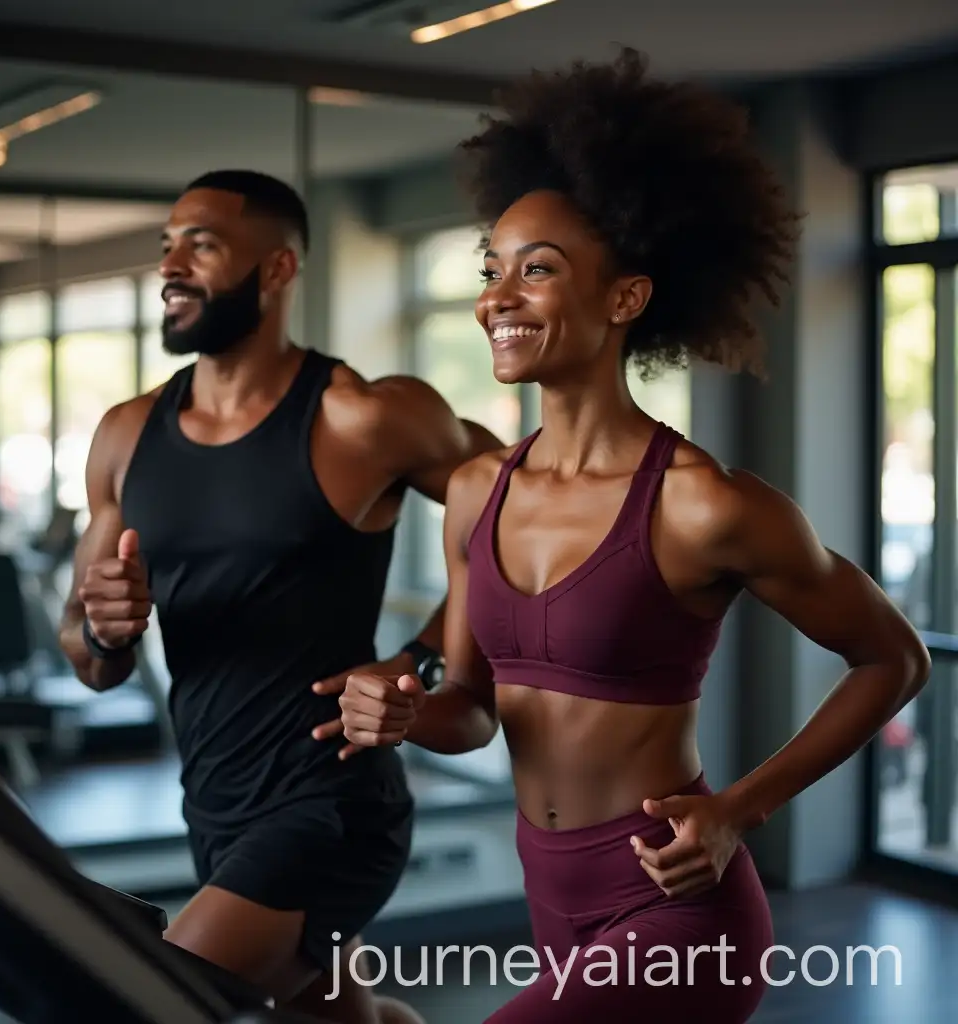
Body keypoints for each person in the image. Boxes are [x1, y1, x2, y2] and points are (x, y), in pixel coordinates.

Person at [326, 51, 932, 1022]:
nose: (497, 297)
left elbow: (893, 658)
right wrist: (402, 714)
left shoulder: (704, 505)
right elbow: (473, 709)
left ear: (624, 299)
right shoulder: (477, 492)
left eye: (537, 269)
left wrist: (737, 810)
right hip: (550, 895)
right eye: (491, 270)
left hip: (678, 906)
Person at [56, 169, 501, 1024]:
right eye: (168, 247)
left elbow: (520, 515)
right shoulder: (125, 435)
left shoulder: (363, 418)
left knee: (160, 1002)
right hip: (214, 801)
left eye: (202, 246)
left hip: (332, 804)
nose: (171, 266)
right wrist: (106, 631)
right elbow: (86, 655)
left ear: (278, 269)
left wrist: (421, 659)